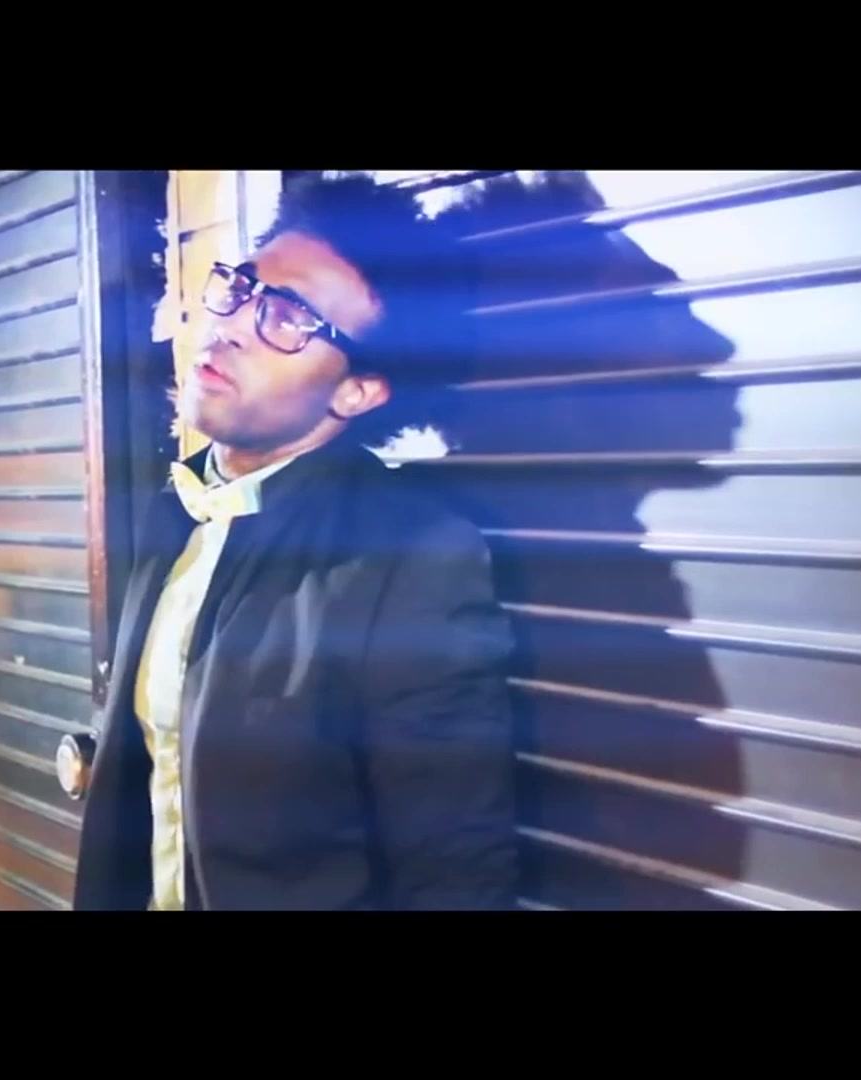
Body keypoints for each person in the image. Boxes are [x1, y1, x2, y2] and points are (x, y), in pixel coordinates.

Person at [63, 172, 519, 910]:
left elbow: (452, 867)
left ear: (357, 391)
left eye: (287, 317)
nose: (234, 324)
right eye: (243, 289)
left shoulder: (410, 557)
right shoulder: (180, 511)